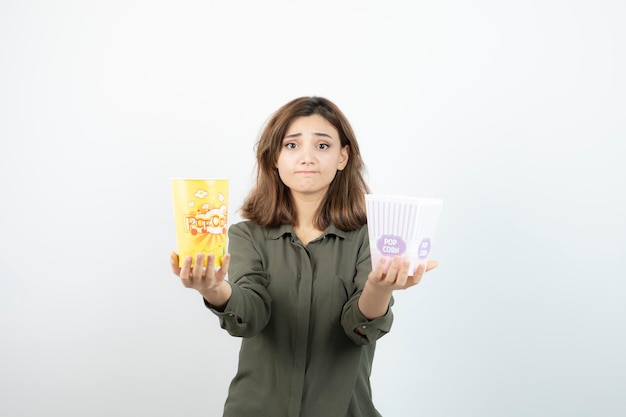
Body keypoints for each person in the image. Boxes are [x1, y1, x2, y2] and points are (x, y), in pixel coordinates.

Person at [170, 96, 438, 417]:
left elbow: (358, 328)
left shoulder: (371, 237)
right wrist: (213, 289)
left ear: (343, 156)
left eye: (322, 146)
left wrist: (380, 288)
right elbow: (251, 315)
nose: (307, 157)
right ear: (274, 158)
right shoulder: (247, 235)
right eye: (292, 146)